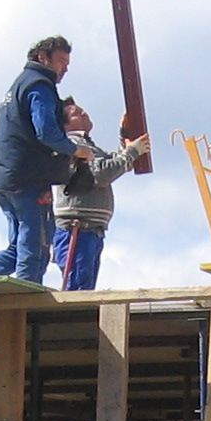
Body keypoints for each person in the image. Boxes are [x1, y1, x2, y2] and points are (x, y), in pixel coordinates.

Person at [0, 35, 81, 283]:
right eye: (61, 61)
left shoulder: (19, 85)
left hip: (6, 179)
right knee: (36, 247)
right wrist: (74, 150)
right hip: (28, 179)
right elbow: (46, 131)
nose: (64, 68)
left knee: (17, 249)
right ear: (43, 57)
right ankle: (25, 300)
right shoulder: (39, 86)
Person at [50, 98, 149, 291]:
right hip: (77, 228)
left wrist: (126, 144)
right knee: (78, 291)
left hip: (87, 228)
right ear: (65, 123)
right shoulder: (72, 144)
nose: (84, 113)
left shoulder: (86, 145)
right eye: (76, 113)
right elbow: (101, 174)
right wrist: (131, 152)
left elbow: (109, 163)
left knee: (83, 288)